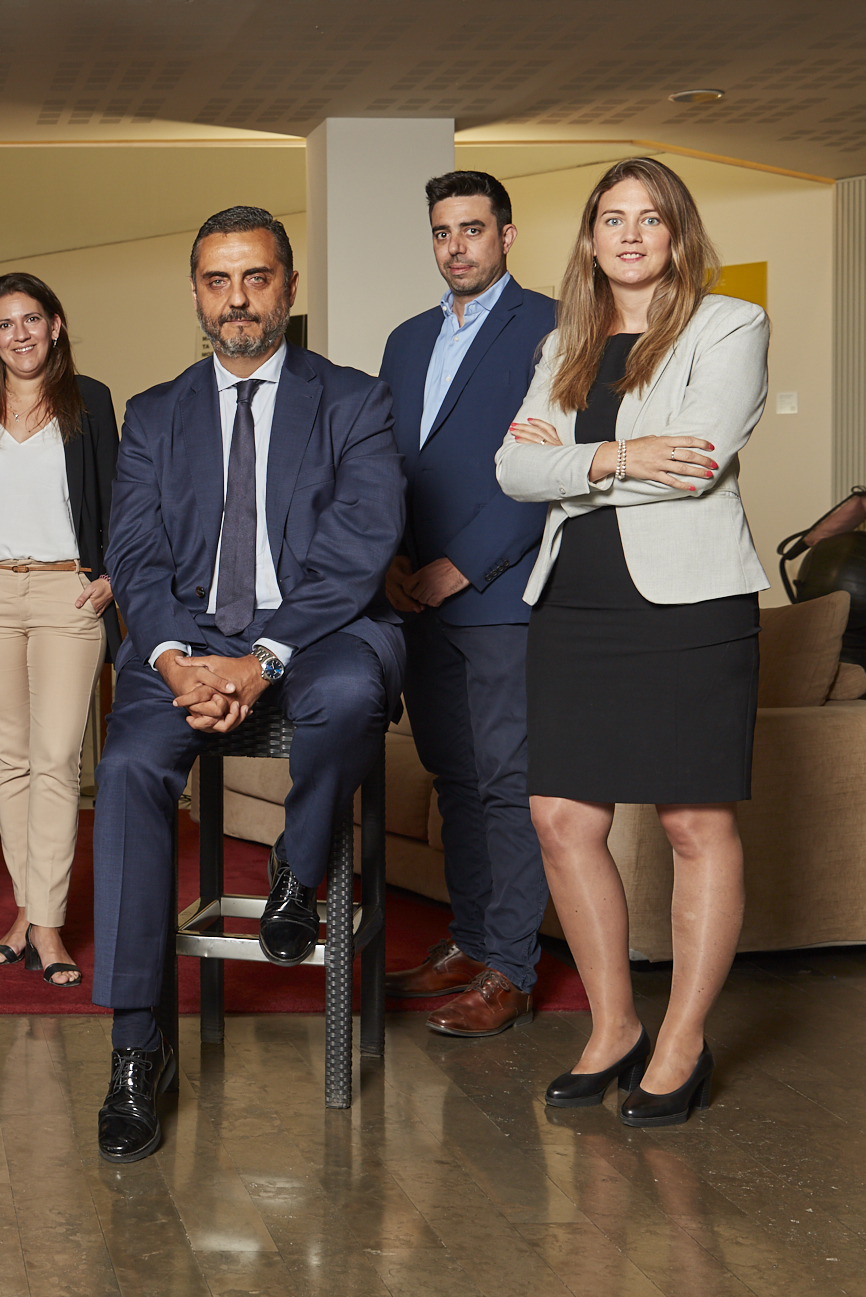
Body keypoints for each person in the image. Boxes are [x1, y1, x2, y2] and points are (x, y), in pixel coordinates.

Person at [92, 206, 404, 1163]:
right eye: (218, 280)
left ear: (288, 288)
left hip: (320, 631)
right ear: (196, 294)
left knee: (348, 697)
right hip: (185, 642)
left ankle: (295, 871)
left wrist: (261, 659)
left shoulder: (354, 400)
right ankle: (138, 1047)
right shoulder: (153, 413)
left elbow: (358, 548)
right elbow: (135, 554)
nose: (237, 299)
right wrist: (174, 659)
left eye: (256, 278)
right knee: (128, 769)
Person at [498, 157, 769, 1128]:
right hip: (575, 599)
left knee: (693, 823)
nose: (628, 234)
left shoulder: (728, 324)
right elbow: (511, 469)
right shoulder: (564, 342)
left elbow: (693, 464)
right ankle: (612, 1026)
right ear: (589, 238)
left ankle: (683, 1041)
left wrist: (571, 465)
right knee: (560, 818)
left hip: (688, 603)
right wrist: (618, 455)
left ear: (676, 234)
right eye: (611, 218)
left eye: (649, 218)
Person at [376, 172, 559, 1038]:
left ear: (506, 235)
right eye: (443, 231)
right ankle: (473, 941)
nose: (456, 246)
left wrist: (462, 566)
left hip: (499, 596)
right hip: (414, 597)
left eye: (473, 229)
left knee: (506, 781)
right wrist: (391, 559)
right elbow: (386, 463)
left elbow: (551, 470)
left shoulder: (552, 326)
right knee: (453, 776)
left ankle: (511, 970)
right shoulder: (407, 339)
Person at [0, 272, 119, 989]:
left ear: (55, 324)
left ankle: (46, 920)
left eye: (31, 319)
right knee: (9, 760)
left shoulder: (90, 400)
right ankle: (30, 915)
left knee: (58, 757)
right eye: (5, 324)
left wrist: (113, 576)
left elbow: (119, 501)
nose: (20, 334)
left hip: (66, 591)